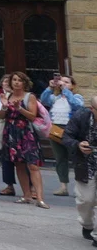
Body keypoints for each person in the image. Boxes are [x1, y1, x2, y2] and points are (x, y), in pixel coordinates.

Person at [0, 70, 48, 208]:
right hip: (11, 133)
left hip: (26, 133)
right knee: (18, 165)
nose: (17, 82)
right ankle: (26, 195)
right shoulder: (8, 96)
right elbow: (1, 117)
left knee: (33, 165)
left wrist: (19, 108)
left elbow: (32, 116)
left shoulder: (30, 96)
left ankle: (40, 198)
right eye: (14, 80)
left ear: (24, 83)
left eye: (20, 80)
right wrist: (4, 106)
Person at [60, 93, 97, 245]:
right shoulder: (81, 116)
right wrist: (78, 145)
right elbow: (66, 137)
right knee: (86, 200)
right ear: (92, 109)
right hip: (86, 164)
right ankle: (87, 224)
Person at [43, 74, 86, 197]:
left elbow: (77, 105)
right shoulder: (55, 97)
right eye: (62, 81)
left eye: (67, 82)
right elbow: (44, 100)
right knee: (60, 158)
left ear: (72, 86)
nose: (63, 84)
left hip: (71, 130)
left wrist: (66, 91)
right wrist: (50, 88)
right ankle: (63, 186)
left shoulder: (77, 96)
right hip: (56, 129)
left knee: (77, 159)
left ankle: (80, 187)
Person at [0, 73, 20, 196]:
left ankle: (31, 187)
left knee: (22, 159)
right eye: (5, 81)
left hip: (19, 129)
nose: (6, 84)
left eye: (9, 81)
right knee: (6, 158)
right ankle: (9, 185)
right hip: (4, 130)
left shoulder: (20, 96)